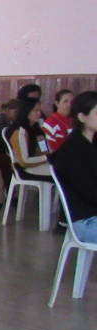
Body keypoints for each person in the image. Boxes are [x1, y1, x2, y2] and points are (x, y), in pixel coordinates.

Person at [53, 91, 97, 243]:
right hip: (86, 221)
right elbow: (92, 193)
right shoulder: (72, 151)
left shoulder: (92, 143)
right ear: (82, 117)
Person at [6, 97, 53, 181]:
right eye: (36, 111)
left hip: (36, 164)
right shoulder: (19, 132)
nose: (39, 114)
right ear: (26, 112)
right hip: (23, 169)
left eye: (40, 111)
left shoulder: (36, 129)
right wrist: (48, 157)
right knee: (60, 173)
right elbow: (24, 161)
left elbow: (44, 150)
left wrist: (49, 155)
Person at [43, 90, 74, 154]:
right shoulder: (50, 123)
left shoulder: (75, 121)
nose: (69, 105)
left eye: (72, 102)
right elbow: (50, 149)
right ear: (57, 103)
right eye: (65, 101)